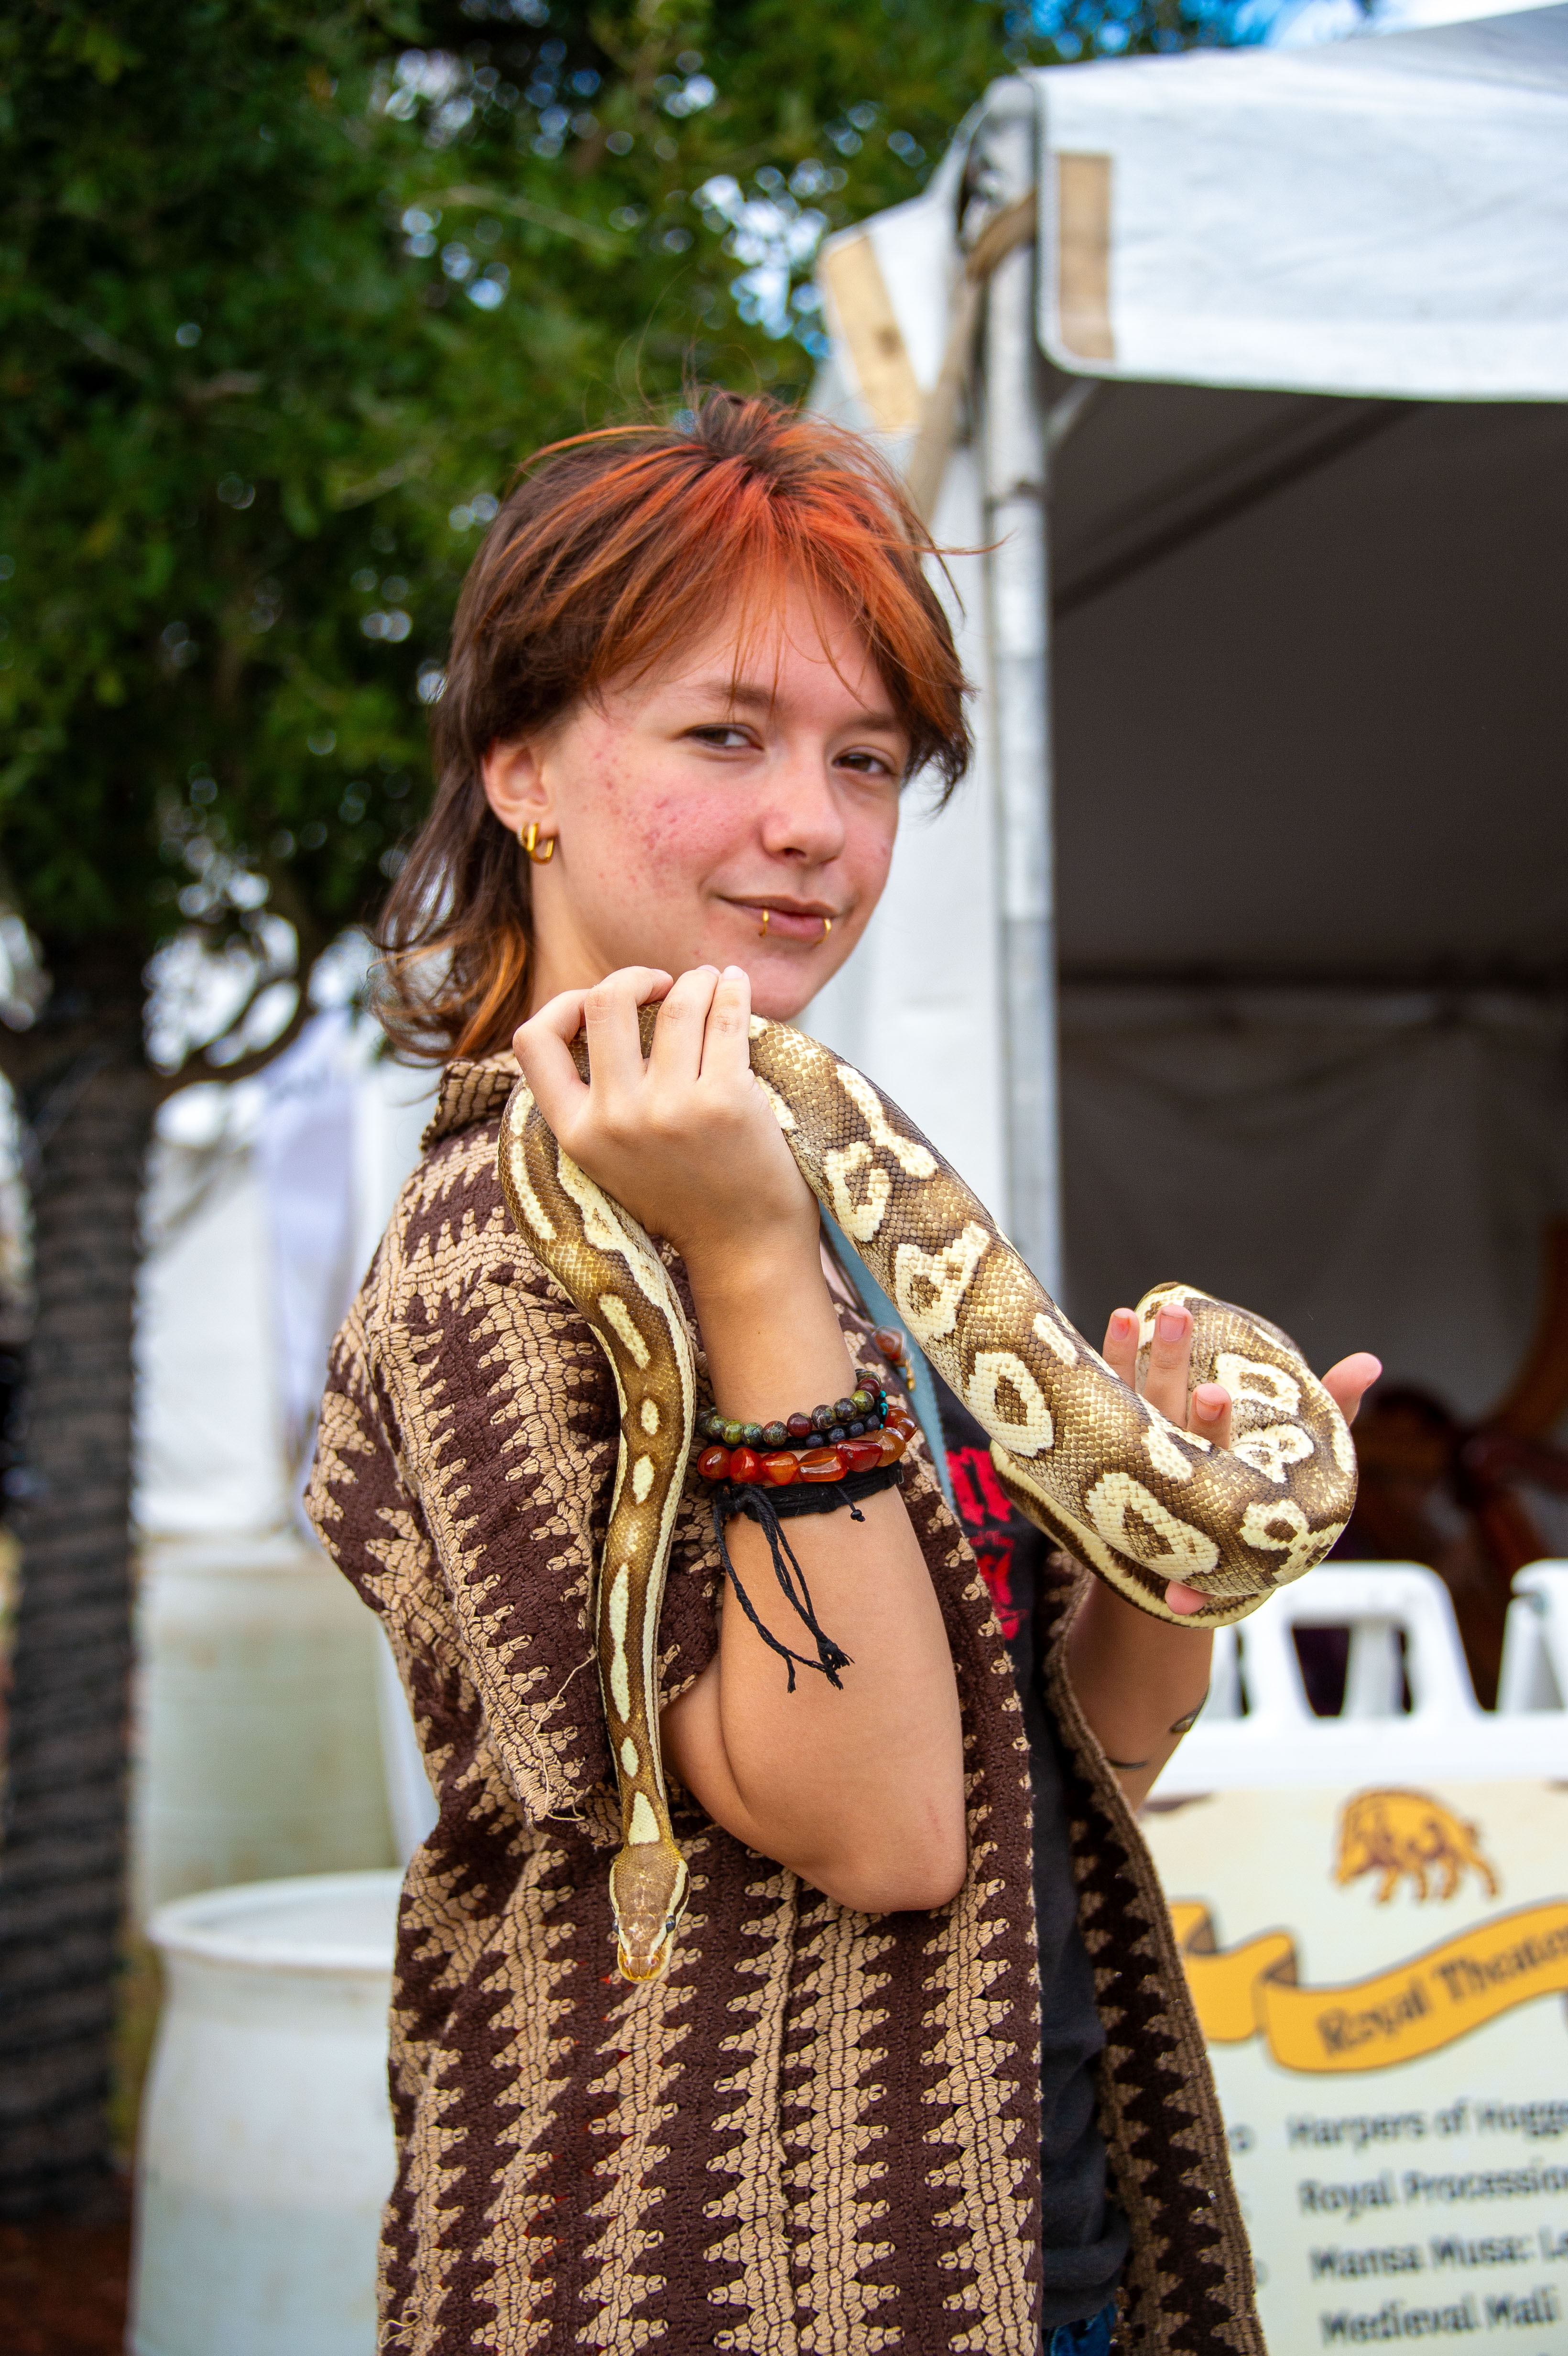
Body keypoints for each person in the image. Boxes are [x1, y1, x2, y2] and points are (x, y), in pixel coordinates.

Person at [307, 389, 1377, 2356]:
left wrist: (1186, 1510)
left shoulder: (839, 1183)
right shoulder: (498, 1256)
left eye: (867, 758)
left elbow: (1085, 1762)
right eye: (726, 732)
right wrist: (740, 1258)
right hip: (719, 2274)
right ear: (523, 769)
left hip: (1038, 2240)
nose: (812, 821)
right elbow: (885, 1831)